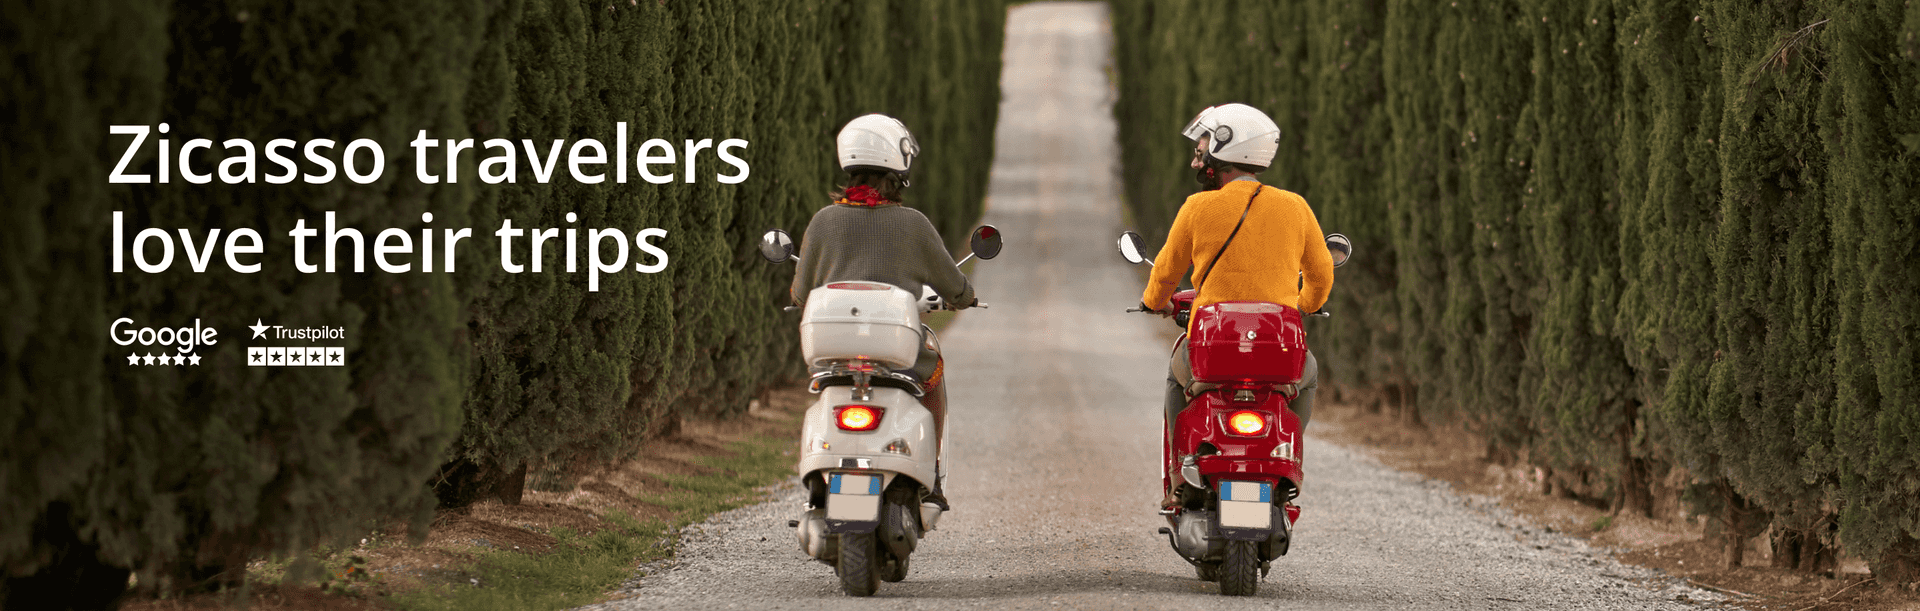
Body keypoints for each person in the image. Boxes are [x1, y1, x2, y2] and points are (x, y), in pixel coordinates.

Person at [1141, 103, 1334, 502]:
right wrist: (1306, 304)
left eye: (1206, 141)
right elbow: (1321, 274)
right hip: (1278, 352)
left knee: (1177, 374)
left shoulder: (1198, 207)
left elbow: (1165, 272)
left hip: (1214, 349)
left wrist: (1154, 302)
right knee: (1309, 371)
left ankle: (1179, 474)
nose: (1200, 150)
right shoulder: (1295, 207)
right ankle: (1285, 455)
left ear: (1227, 146)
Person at [790, 113, 975, 509]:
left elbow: (801, 291)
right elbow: (955, 288)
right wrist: (964, 297)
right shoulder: (913, 224)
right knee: (933, 370)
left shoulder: (823, 222)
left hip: (834, 354)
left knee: (823, 387)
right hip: (898, 354)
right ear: (899, 165)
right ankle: (935, 477)